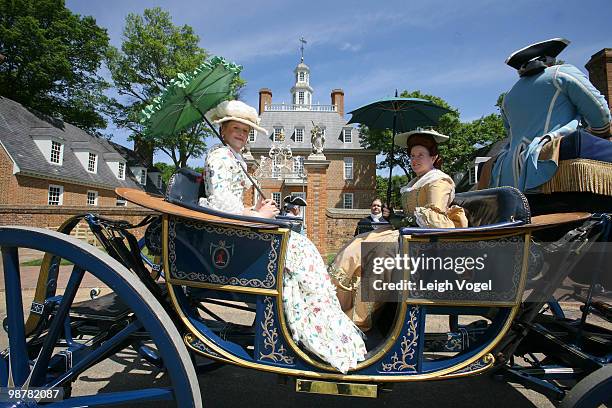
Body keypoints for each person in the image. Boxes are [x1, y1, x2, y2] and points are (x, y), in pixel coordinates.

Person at [198, 100, 366, 373]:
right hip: (231, 232)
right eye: (236, 129)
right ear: (223, 130)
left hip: (241, 224)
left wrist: (256, 210)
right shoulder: (219, 156)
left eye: (245, 130)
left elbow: (234, 204)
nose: (241, 134)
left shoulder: (233, 156)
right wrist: (260, 215)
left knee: (302, 247)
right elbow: (221, 205)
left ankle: (323, 320)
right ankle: (314, 325)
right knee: (299, 248)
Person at [329, 129, 468, 332]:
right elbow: (411, 217)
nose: (415, 159)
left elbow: (437, 221)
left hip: (427, 243)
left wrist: (402, 218)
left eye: (421, 155)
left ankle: (358, 320)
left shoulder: (438, 181)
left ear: (434, 157)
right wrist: (393, 215)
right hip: (408, 235)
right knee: (358, 242)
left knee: (380, 252)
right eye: (412, 155)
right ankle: (337, 308)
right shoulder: (416, 182)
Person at [486, 38, 611, 191]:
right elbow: (601, 117)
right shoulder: (561, 74)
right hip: (554, 164)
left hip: (510, 173)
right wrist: (599, 132)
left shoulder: (508, 97)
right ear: (550, 60)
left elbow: (511, 135)